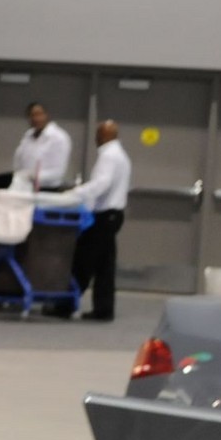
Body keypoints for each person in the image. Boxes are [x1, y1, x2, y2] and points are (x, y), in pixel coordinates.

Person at [73, 119, 132, 322]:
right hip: (114, 215)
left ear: (105, 135)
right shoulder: (121, 155)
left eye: (98, 133)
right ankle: (104, 309)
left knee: (84, 259)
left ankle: (65, 304)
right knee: (105, 265)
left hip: (104, 216)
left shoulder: (109, 155)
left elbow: (101, 184)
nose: (95, 138)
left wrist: (76, 193)